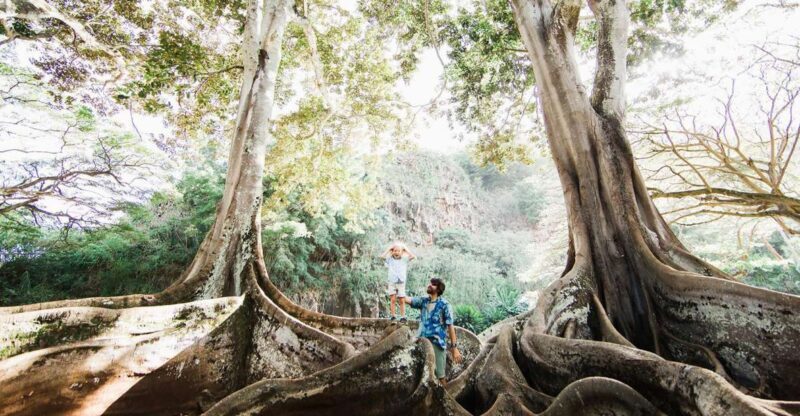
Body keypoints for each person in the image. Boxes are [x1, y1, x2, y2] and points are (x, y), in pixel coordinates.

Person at [403, 277, 462, 385]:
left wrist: (454, 348)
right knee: (419, 375)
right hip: (421, 342)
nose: (430, 285)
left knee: (440, 376)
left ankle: (446, 399)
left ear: (438, 289)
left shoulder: (445, 305)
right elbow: (406, 299)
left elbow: (450, 326)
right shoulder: (423, 301)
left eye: (433, 284)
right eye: (430, 283)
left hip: (436, 343)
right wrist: (397, 290)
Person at [380, 242, 416, 322]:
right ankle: (393, 316)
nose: (396, 252)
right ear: (392, 251)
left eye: (398, 251)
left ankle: (403, 316)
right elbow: (382, 256)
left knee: (402, 299)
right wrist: (389, 248)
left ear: (402, 252)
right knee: (392, 299)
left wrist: (405, 248)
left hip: (401, 281)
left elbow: (413, 256)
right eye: (395, 250)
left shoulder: (404, 259)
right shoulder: (390, 260)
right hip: (392, 281)